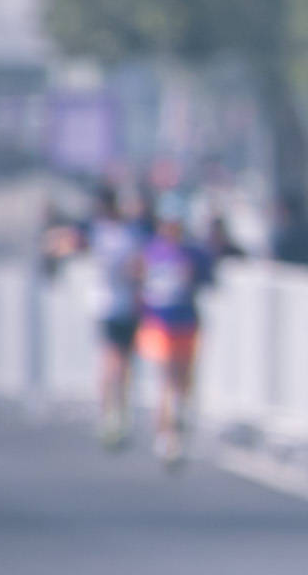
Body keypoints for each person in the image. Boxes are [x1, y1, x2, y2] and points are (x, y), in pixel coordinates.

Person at [128, 202, 214, 467]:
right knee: (166, 378)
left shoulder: (192, 253)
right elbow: (136, 279)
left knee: (183, 379)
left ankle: (178, 423)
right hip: (158, 324)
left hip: (185, 322)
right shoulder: (151, 252)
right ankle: (167, 436)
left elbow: (207, 280)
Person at [83, 189, 150, 448]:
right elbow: (134, 268)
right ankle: (112, 413)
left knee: (117, 361)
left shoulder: (103, 233)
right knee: (116, 360)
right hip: (116, 305)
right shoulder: (120, 235)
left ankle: (113, 412)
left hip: (118, 305)